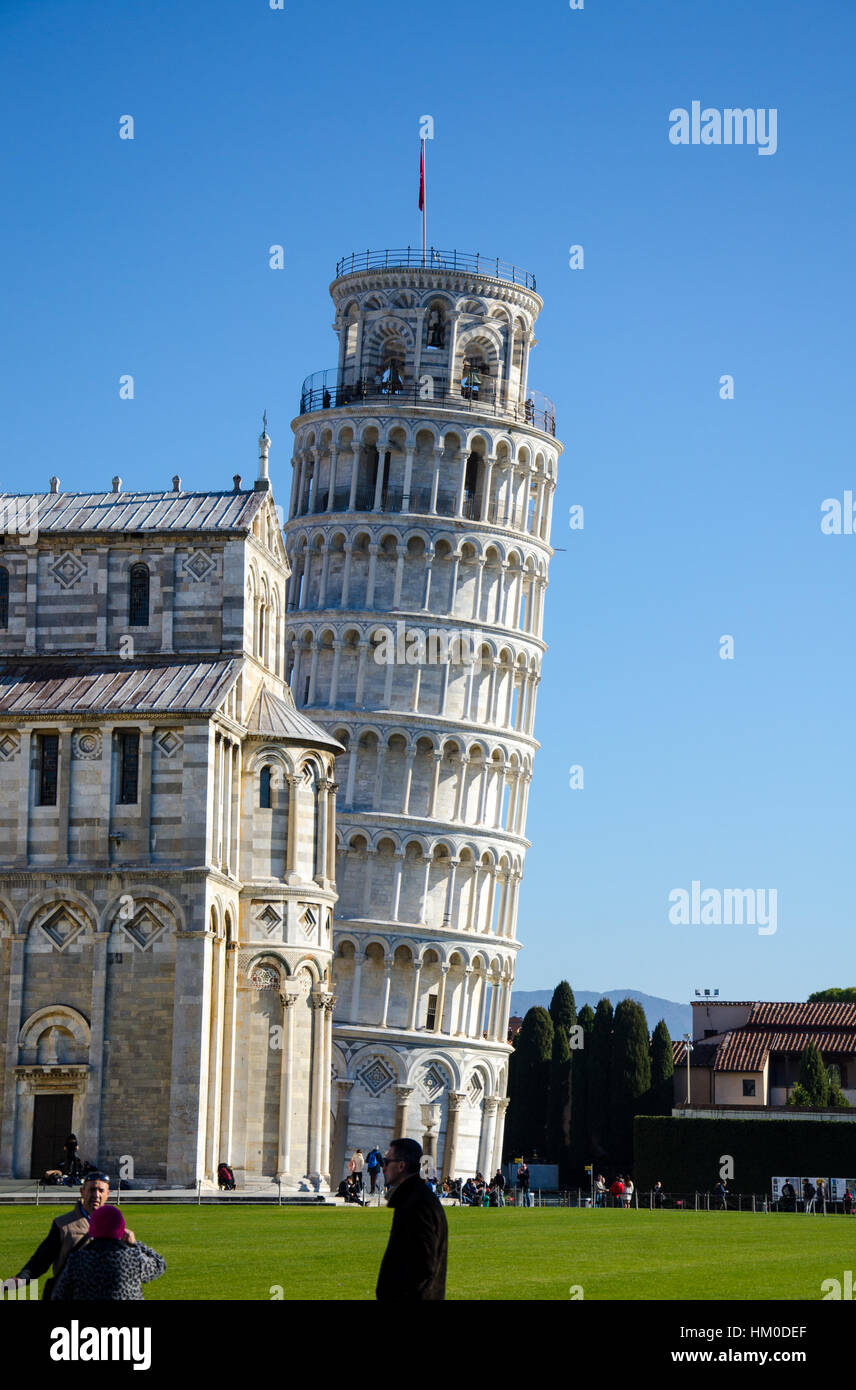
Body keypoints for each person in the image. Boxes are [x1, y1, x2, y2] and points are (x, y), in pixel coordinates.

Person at [8, 1171, 112, 1300]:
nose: (96, 1195)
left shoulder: (115, 1226)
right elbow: (42, 1259)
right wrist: (22, 1278)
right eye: (92, 1189)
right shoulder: (63, 1225)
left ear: (107, 1194)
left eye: (101, 1190)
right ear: (82, 1192)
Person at [376, 1138, 448, 1301]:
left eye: (387, 1162)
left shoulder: (416, 1203)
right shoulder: (413, 1199)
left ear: (401, 1165)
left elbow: (424, 1263)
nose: (384, 1168)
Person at [52, 1203, 165, 1301]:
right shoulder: (133, 1259)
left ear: (92, 1229)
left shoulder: (77, 1261)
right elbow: (160, 1264)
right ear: (121, 1229)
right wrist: (135, 1244)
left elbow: (59, 1295)